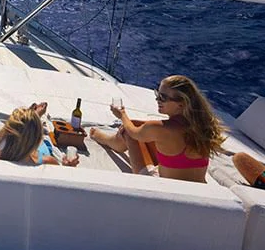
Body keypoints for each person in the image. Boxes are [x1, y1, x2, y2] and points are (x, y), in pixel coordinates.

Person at [90, 75, 225, 182]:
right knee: (138, 126)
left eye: (163, 97)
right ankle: (111, 139)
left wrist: (122, 115)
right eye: (157, 94)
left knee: (127, 132)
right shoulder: (202, 126)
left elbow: (133, 132)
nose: (157, 100)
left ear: (181, 103)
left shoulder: (159, 128)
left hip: (164, 188)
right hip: (197, 189)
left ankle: (101, 137)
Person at [0, 104, 79, 167]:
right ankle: (34, 117)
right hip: (35, 152)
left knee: (26, 128)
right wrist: (68, 168)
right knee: (30, 129)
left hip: (26, 148)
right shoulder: (48, 161)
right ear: (38, 139)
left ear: (5, 131)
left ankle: (33, 117)